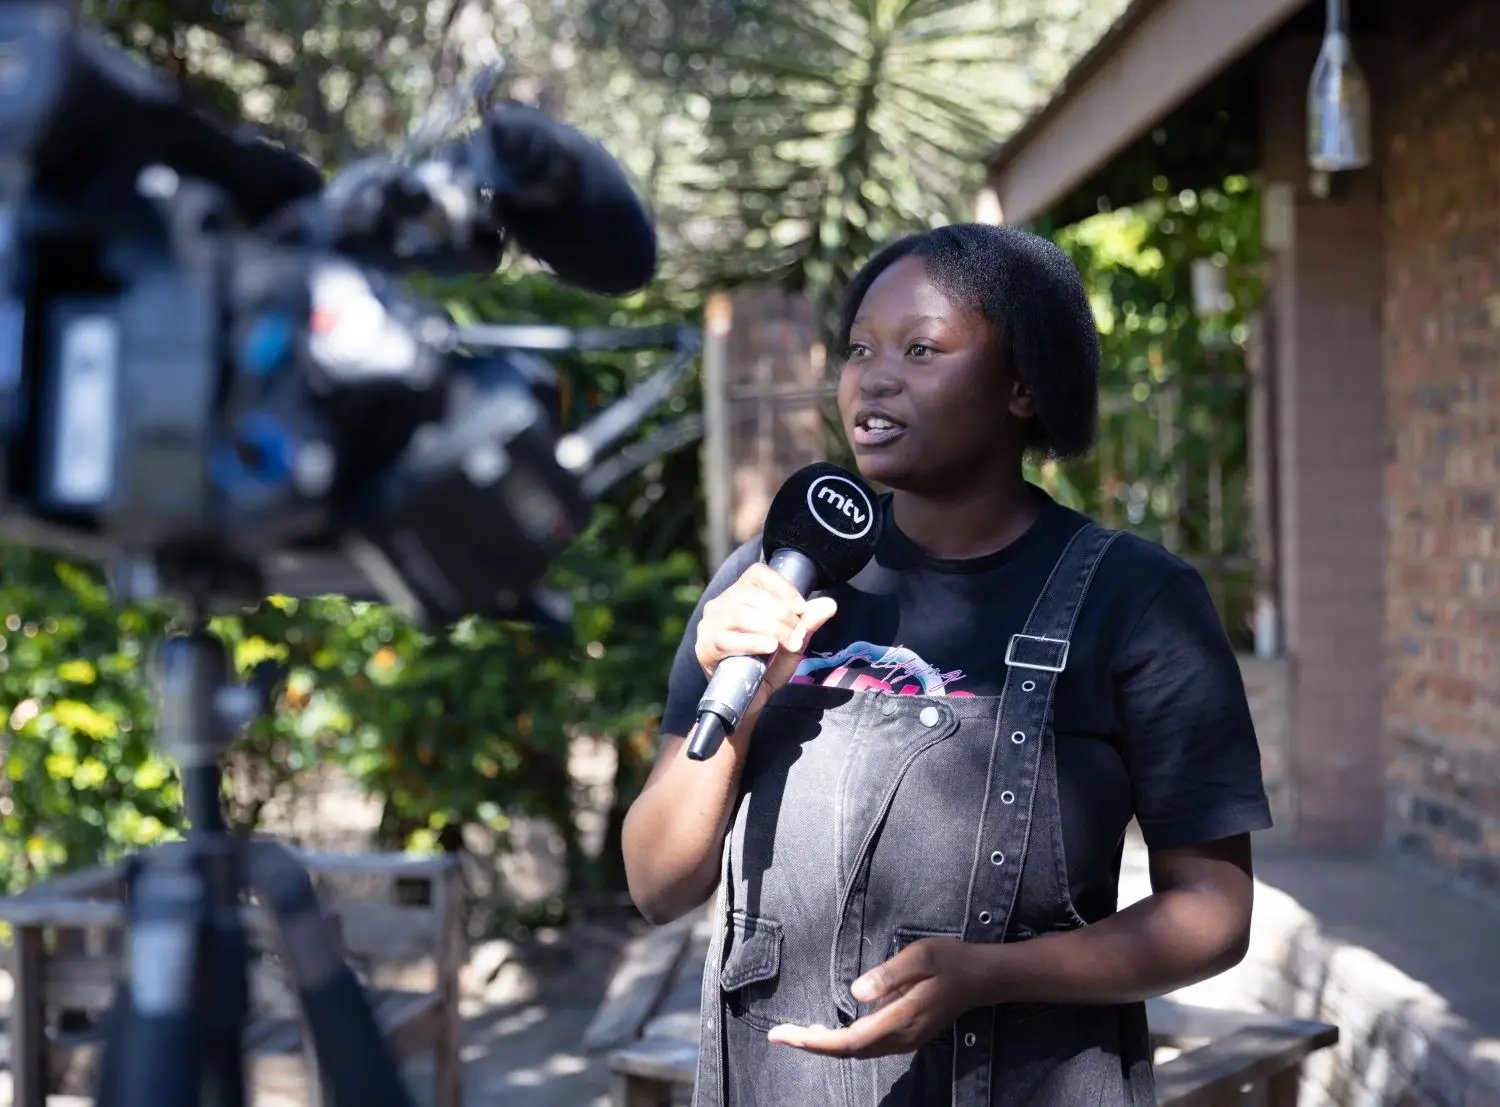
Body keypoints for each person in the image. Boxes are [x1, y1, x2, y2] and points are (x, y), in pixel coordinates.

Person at [621, 223, 1273, 1106]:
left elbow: (1213, 912)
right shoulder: (769, 582)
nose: (873, 376)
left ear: (1021, 387)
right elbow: (659, 883)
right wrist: (738, 701)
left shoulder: (1137, 601)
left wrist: (989, 974)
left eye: (921, 348)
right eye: (858, 348)